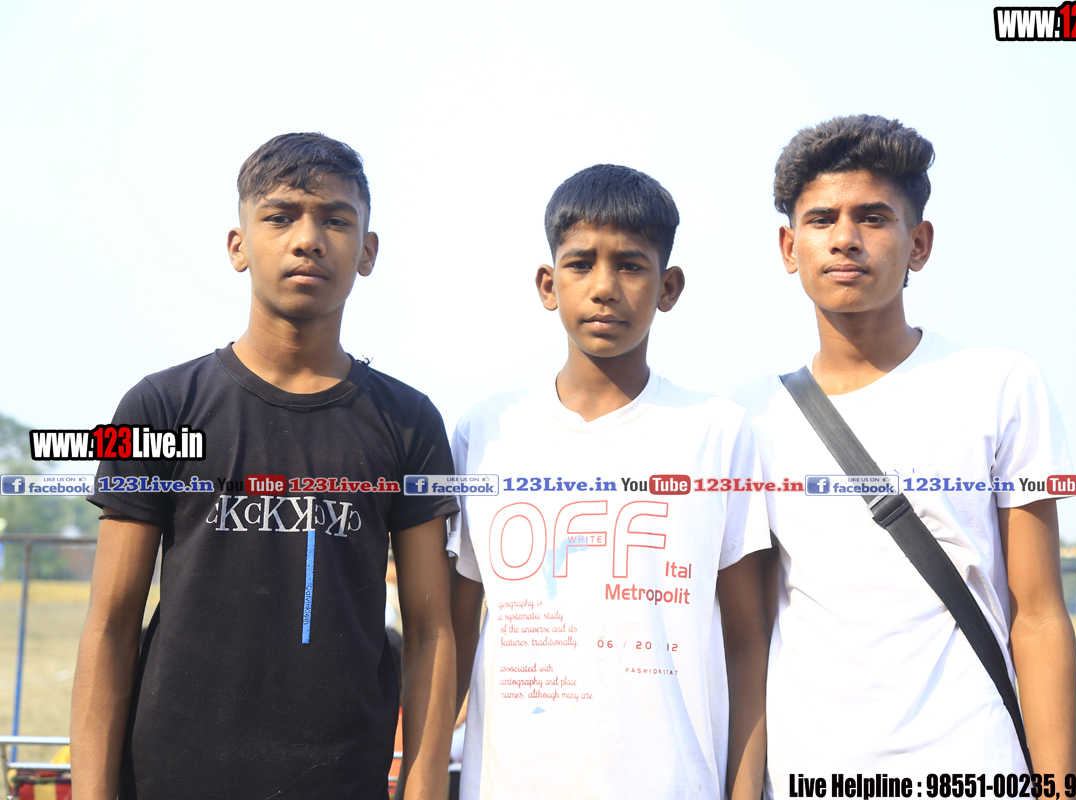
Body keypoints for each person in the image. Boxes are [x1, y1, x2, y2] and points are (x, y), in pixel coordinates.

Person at [72, 133, 458, 800]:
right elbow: (110, 624)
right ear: (238, 245)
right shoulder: (158, 408)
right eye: (279, 217)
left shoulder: (409, 421)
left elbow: (430, 632)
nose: (308, 240)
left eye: (335, 220)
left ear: (368, 251)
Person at [733, 115, 1076, 791]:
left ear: (918, 244)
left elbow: (1039, 614)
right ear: (789, 247)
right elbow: (748, 636)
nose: (845, 239)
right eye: (821, 219)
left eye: (873, 217)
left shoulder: (1001, 384)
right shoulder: (749, 420)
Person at [448, 164, 770, 800]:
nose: (604, 288)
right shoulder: (486, 434)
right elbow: (453, 636)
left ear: (668, 287)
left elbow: (747, 641)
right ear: (548, 285)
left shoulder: (718, 432)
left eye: (630, 265)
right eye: (580, 264)